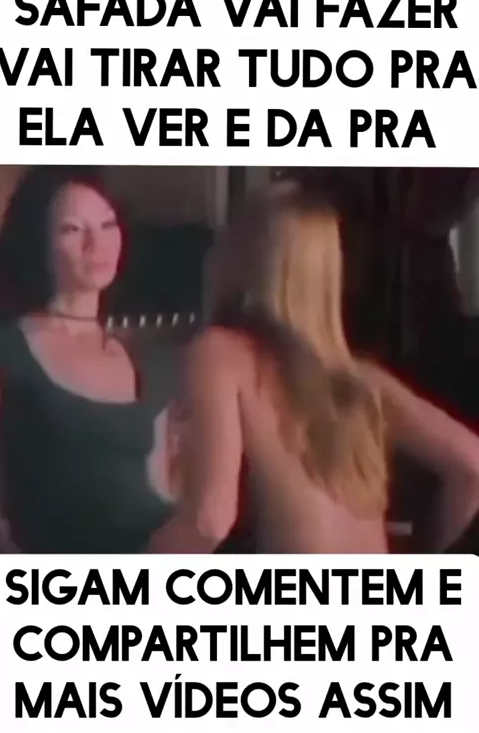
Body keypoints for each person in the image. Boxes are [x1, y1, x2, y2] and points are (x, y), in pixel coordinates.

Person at [175, 180, 479, 553]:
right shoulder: (361, 379)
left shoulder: (223, 354)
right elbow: (471, 467)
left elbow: (209, 519)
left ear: (246, 259)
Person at [0, 166, 212, 554]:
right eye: (72, 229)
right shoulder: (12, 349)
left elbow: (163, 484)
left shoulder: (137, 352)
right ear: (39, 241)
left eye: (108, 224)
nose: (95, 243)